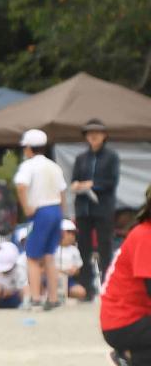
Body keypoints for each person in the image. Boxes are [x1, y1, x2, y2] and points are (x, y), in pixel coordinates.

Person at [13, 127, 67, 309]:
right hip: (56, 209)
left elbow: (21, 186)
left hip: (40, 211)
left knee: (33, 256)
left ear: (28, 147)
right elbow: (62, 191)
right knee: (49, 256)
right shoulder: (54, 166)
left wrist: (27, 207)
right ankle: (53, 297)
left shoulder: (28, 166)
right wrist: (63, 214)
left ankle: (35, 297)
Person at [99, 205, 151, 366]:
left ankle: (129, 359)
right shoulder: (145, 235)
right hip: (123, 322)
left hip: (132, 317)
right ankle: (130, 358)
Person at [69, 118, 121, 288]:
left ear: (104, 135)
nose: (93, 136)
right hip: (84, 207)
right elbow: (75, 178)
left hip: (103, 207)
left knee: (104, 247)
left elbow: (112, 181)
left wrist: (93, 184)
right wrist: (77, 184)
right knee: (83, 247)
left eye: (97, 133)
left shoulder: (111, 157)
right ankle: (86, 287)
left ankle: (108, 285)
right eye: (90, 133)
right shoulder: (81, 158)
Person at [58, 220, 90, 301]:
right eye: (70, 232)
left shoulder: (74, 250)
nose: (72, 236)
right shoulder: (51, 248)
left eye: (74, 233)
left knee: (81, 292)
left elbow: (78, 269)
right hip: (51, 279)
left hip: (68, 280)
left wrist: (74, 270)